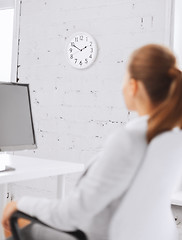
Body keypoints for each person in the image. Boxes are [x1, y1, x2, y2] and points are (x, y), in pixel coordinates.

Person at [2, 44, 182, 240]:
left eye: (124, 77)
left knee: (18, 220)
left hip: (98, 235)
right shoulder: (171, 139)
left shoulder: (129, 140)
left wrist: (19, 203)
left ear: (134, 86)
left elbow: (69, 215)